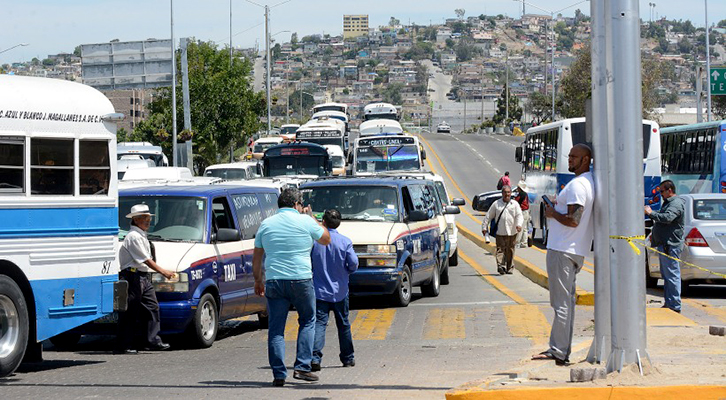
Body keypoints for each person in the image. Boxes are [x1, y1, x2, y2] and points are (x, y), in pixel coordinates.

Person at [253, 188, 331, 387]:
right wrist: (312, 217)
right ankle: (302, 367)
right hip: (301, 280)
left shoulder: (266, 224)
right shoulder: (305, 221)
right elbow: (326, 239)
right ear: (297, 205)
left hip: (274, 280)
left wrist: (258, 280)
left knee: (276, 328)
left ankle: (279, 374)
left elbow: (257, 257)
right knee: (307, 321)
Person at [532, 144, 594, 366]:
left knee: (561, 303)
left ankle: (558, 350)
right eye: (569, 156)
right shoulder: (588, 182)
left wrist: (551, 213)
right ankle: (560, 349)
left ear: (585, 159)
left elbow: (573, 220)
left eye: (574, 157)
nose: (569, 160)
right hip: (573, 249)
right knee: (565, 302)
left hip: (563, 249)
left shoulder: (578, 185)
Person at [115, 204, 176, 355]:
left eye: (148, 218)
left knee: (152, 307)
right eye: (144, 218)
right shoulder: (134, 237)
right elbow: (146, 260)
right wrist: (164, 272)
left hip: (141, 276)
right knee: (129, 311)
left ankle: (151, 341)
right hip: (132, 276)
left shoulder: (141, 235)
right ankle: (124, 344)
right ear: (135, 220)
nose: (148, 221)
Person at [311, 209, 359, 372]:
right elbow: (353, 263)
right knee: (344, 325)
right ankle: (348, 358)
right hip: (340, 291)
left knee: (319, 325)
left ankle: (315, 358)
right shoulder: (345, 242)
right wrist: (345, 272)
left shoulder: (315, 241)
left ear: (323, 221)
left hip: (319, 291)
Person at [644, 180, 685, 313]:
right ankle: (669, 303)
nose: (660, 194)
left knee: (672, 275)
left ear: (669, 190)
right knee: (667, 276)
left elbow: (668, 218)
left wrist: (651, 213)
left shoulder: (676, 204)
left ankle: (674, 305)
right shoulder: (669, 203)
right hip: (666, 244)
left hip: (670, 245)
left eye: (662, 191)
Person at [482, 185, 523, 275]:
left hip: (512, 232)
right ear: (502, 193)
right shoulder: (496, 204)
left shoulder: (515, 204)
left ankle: (509, 267)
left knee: (510, 250)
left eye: (508, 192)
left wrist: (519, 225)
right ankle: (501, 266)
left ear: (510, 193)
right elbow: (488, 216)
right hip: (500, 231)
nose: (507, 194)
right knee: (500, 249)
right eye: (505, 192)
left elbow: (519, 215)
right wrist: (484, 227)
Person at [515, 181, 531, 248]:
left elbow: (516, 202)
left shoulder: (521, 194)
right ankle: (524, 242)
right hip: (526, 212)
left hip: (522, 212)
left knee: (520, 228)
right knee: (524, 228)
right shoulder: (525, 194)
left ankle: (517, 243)